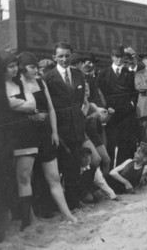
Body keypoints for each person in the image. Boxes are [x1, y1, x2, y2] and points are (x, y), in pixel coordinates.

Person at [7, 52, 77, 230]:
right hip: (26, 136)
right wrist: (32, 117)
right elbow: (12, 114)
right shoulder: (14, 85)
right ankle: (29, 218)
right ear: (22, 68)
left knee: (53, 176)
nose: (36, 70)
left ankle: (67, 213)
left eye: (37, 67)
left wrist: (54, 131)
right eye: (32, 67)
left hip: (45, 134)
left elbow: (51, 109)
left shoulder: (41, 82)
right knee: (26, 178)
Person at [43, 41, 86, 210]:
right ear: (54, 57)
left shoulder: (78, 75)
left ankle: (74, 204)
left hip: (76, 129)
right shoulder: (48, 77)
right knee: (59, 169)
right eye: (60, 56)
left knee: (74, 169)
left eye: (67, 55)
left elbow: (80, 101)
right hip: (59, 131)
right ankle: (56, 207)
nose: (64, 59)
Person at [97, 45, 137, 168]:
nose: (119, 59)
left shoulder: (129, 74)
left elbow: (134, 93)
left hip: (126, 113)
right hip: (111, 114)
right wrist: (105, 107)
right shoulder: (104, 73)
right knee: (111, 143)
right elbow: (99, 92)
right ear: (112, 57)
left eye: (121, 57)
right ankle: (108, 173)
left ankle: (123, 172)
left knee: (125, 143)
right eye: (117, 56)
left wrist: (131, 104)